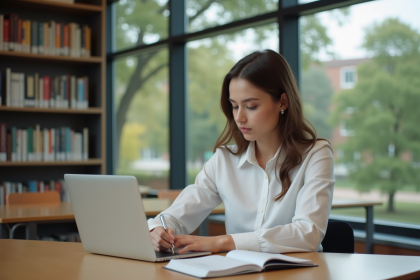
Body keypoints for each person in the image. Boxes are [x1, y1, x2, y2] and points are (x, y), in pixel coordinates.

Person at [147, 49, 334, 254]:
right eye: (234, 106)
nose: (239, 118)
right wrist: (158, 229)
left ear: (282, 102)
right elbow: (178, 214)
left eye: (251, 106)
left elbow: (308, 234)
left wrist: (223, 242)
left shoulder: (317, 154)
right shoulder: (224, 160)